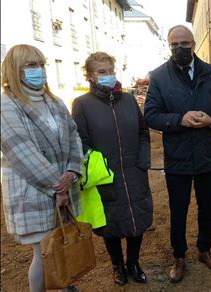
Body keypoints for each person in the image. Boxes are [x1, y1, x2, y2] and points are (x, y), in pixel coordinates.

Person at [144, 25, 211, 283]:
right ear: (168, 46)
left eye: (184, 43)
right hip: (178, 158)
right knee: (178, 209)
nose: (179, 49)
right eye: (174, 45)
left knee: (207, 207)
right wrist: (179, 120)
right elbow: (150, 114)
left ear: (193, 44)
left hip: (206, 155)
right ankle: (179, 256)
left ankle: (204, 250)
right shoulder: (160, 76)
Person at [1, 44, 83, 292]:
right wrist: (58, 187)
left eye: (41, 64)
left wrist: (72, 171)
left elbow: (74, 136)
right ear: (15, 71)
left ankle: (64, 286)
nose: (39, 70)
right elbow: (22, 152)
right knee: (44, 252)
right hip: (35, 191)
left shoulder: (54, 102)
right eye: (31, 65)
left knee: (61, 246)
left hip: (64, 187)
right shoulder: (7, 106)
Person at [72, 52, 153, 286]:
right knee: (111, 224)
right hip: (105, 176)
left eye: (110, 70)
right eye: (101, 72)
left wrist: (143, 160)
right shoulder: (82, 104)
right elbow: (80, 141)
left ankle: (134, 263)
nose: (108, 76)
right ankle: (117, 265)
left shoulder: (128, 100)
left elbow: (142, 132)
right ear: (90, 76)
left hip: (134, 170)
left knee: (137, 221)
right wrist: (98, 168)